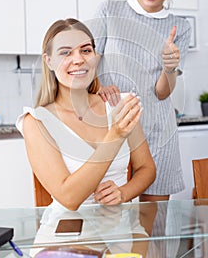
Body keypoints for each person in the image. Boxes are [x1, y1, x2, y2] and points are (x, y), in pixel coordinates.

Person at [16, 18, 156, 211]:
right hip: (68, 232)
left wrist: (124, 193)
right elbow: (69, 198)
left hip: (121, 226)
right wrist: (115, 135)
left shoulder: (118, 105)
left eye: (86, 50)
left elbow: (147, 169)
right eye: (65, 52)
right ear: (49, 61)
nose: (78, 59)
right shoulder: (37, 122)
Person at [89, 0, 192, 202]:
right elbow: (88, 66)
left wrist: (169, 67)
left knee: (154, 229)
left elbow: (161, 92)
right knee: (108, 218)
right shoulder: (109, 11)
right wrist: (98, 86)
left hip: (157, 132)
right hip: (112, 130)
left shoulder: (180, 27)